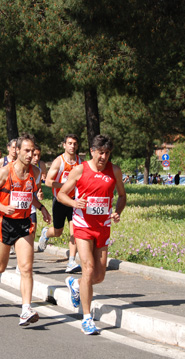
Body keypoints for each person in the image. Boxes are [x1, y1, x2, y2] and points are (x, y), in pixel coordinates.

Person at [0, 134, 51, 326]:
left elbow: (30, 195)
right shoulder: (5, 171)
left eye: (32, 151)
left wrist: (42, 208)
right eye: (26, 150)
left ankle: (26, 309)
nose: (30, 154)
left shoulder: (35, 172)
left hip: (25, 223)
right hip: (5, 223)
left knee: (26, 268)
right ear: (17, 150)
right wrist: (2, 207)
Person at [58, 135, 126, 335]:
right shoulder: (80, 170)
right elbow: (62, 193)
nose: (104, 157)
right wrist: (74, 203)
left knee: (99, 275)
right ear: (92, 151)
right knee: (88, 268)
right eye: (101, 153)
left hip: (103, 225)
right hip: (82, 225)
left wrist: (117, 211)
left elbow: (122, 196)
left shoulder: (114, 171)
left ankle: (75, 283)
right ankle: (87, 318)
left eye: (107, 153)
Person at [39, 134, 82, 273]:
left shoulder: (80, 162)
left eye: (75, 143)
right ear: (64, 145)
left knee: (74, 232)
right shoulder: (59, 161)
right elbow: (48, 181)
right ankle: (46, 233)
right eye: (69, 143)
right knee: (58, 232)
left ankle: (71, 261)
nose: (72, 146)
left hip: (74, 201)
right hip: (59, 200)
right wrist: (64, 185)